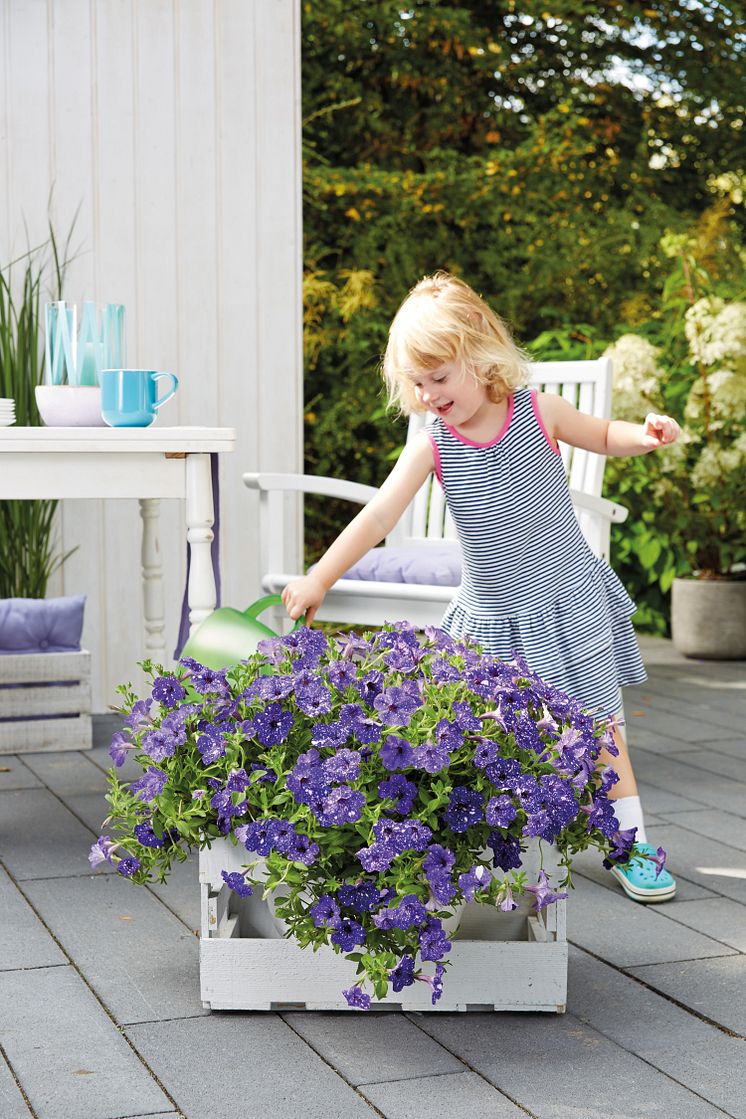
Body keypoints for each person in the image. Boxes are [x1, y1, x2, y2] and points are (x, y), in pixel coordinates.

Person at [282, 271, 678, 903]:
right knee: (477, 731)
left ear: (480, 355)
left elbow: (603, 436)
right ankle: (482, 850)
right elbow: (380, 515)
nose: (429, 393)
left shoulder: (537, 411)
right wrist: (320, 575)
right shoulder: (432, 441)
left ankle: (631, 847)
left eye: (440, 378)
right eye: (417, 382)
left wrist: (647, 435)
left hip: (565, 602)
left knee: (600, 733)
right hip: (491, 614)